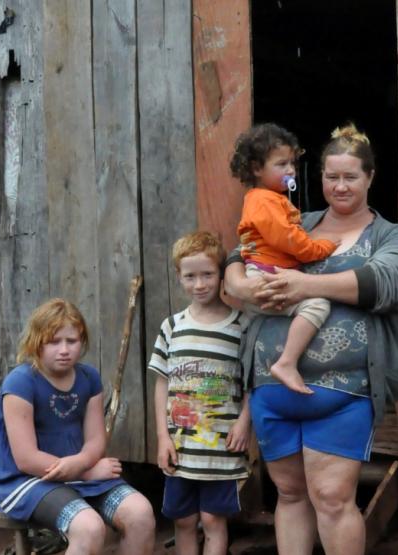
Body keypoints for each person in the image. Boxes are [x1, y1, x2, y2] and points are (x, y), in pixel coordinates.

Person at [225, 124, 398, 555]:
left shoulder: (389, 237)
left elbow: (385, 284)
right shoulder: (300, 222)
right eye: (331, 176)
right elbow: (240, 253)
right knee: (290, 495)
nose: (340, 185)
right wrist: (237, 283)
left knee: (332, 498)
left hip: (342, 393)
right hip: (270, 392)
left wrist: (304, 285)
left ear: (370, 177)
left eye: (351, 176)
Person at [0, 298, 155, 555]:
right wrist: (86, 472)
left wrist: (83, 466)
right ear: (36, 342)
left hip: (76, 472)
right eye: (54, 342)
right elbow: (26, 459)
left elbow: (96, 441)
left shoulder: (88, 378)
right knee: (89, 528)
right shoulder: (21, 382)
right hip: (27, 481)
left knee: (141, 514)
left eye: (72, 341)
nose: (64, 349)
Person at [147, 231, 251, 555]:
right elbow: (161, 383)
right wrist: (162, 437)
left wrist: (245, 422)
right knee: (184, 521)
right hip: (181, 448)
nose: (200, 284)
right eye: (190, 276)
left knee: (213, 520)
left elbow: (253, 383)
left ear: (222, 274)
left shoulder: (241, 327)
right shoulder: (172, 326)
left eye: (207, 274)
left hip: (221, 448)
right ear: (178, 277)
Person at [231, 123, 339, 395]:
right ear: (256, 168)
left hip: (266, 274)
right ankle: (287, 362)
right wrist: (323, 247)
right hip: (267, 277)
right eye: (281, 164)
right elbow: (290, 240)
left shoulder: (270, 199)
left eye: (292, 162)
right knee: (317, 305)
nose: (290, 170)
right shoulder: (264, 201)